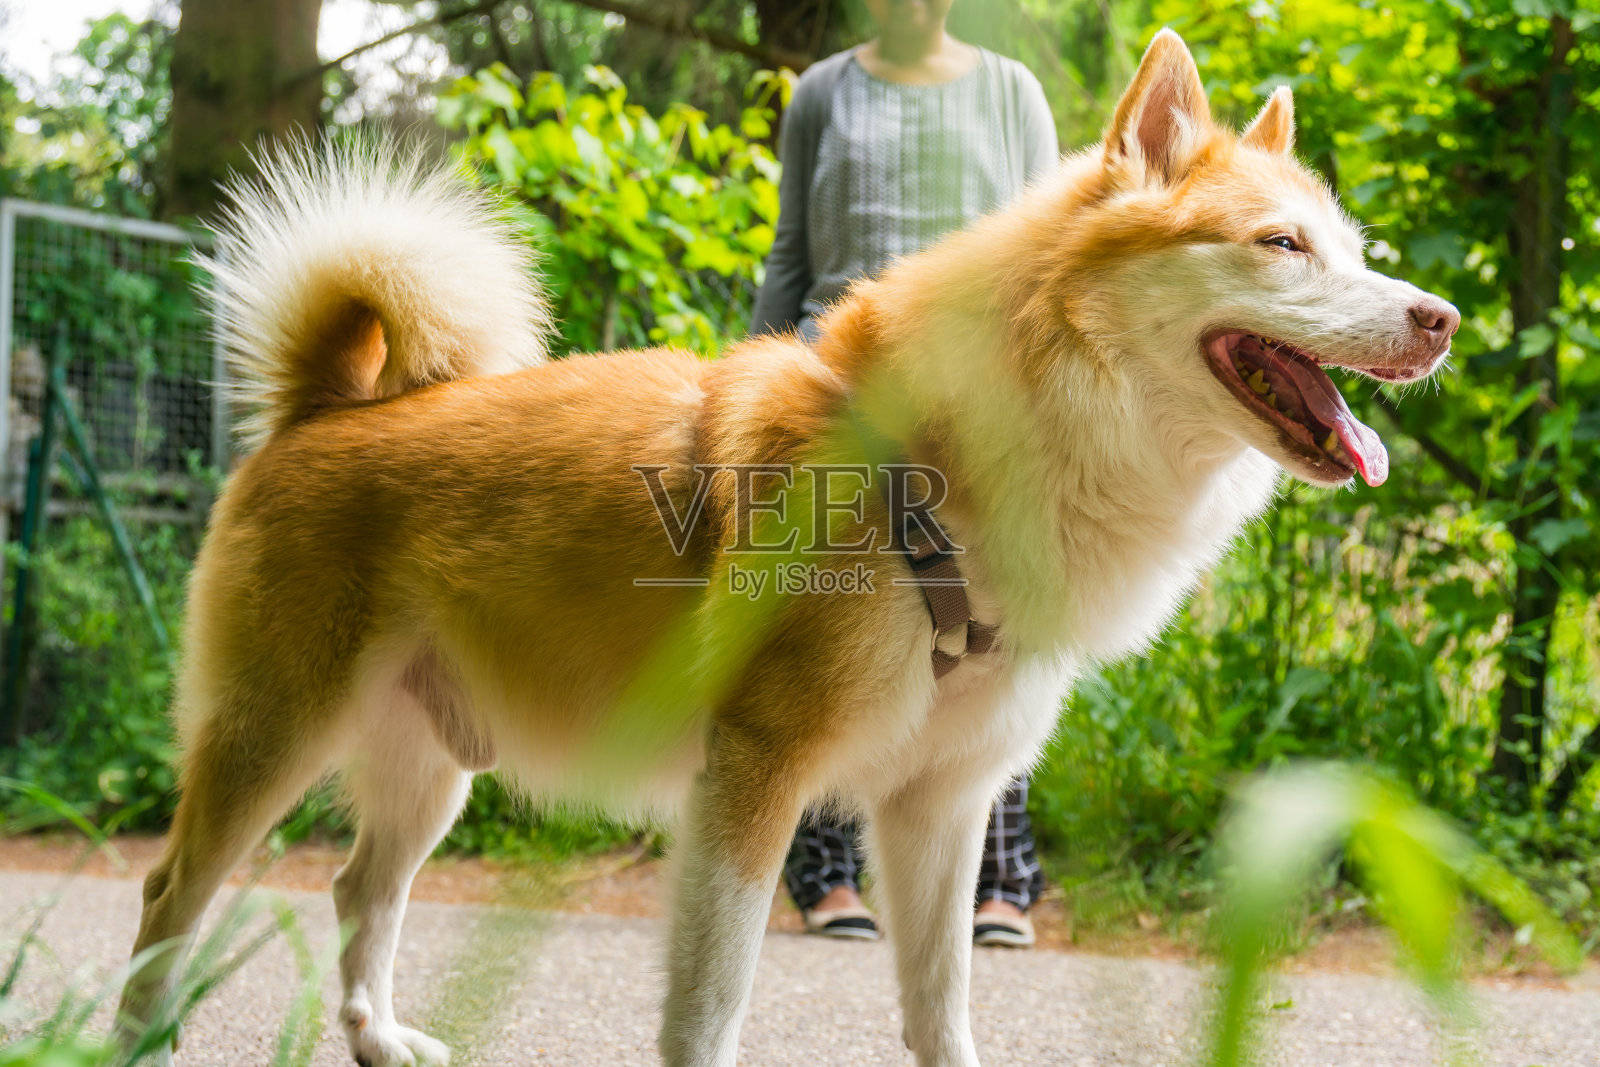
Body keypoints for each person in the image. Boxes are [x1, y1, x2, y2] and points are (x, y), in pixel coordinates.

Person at [750, 0, 1057, 948]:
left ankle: (1002, 879)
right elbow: (793, 254)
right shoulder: (821, 92)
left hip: (976, 394)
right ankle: (825, 874)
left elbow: (1052, 250)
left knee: (994, 622)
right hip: (840, 378)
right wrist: (755, 367)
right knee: (827, 624)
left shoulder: (1012, 90)